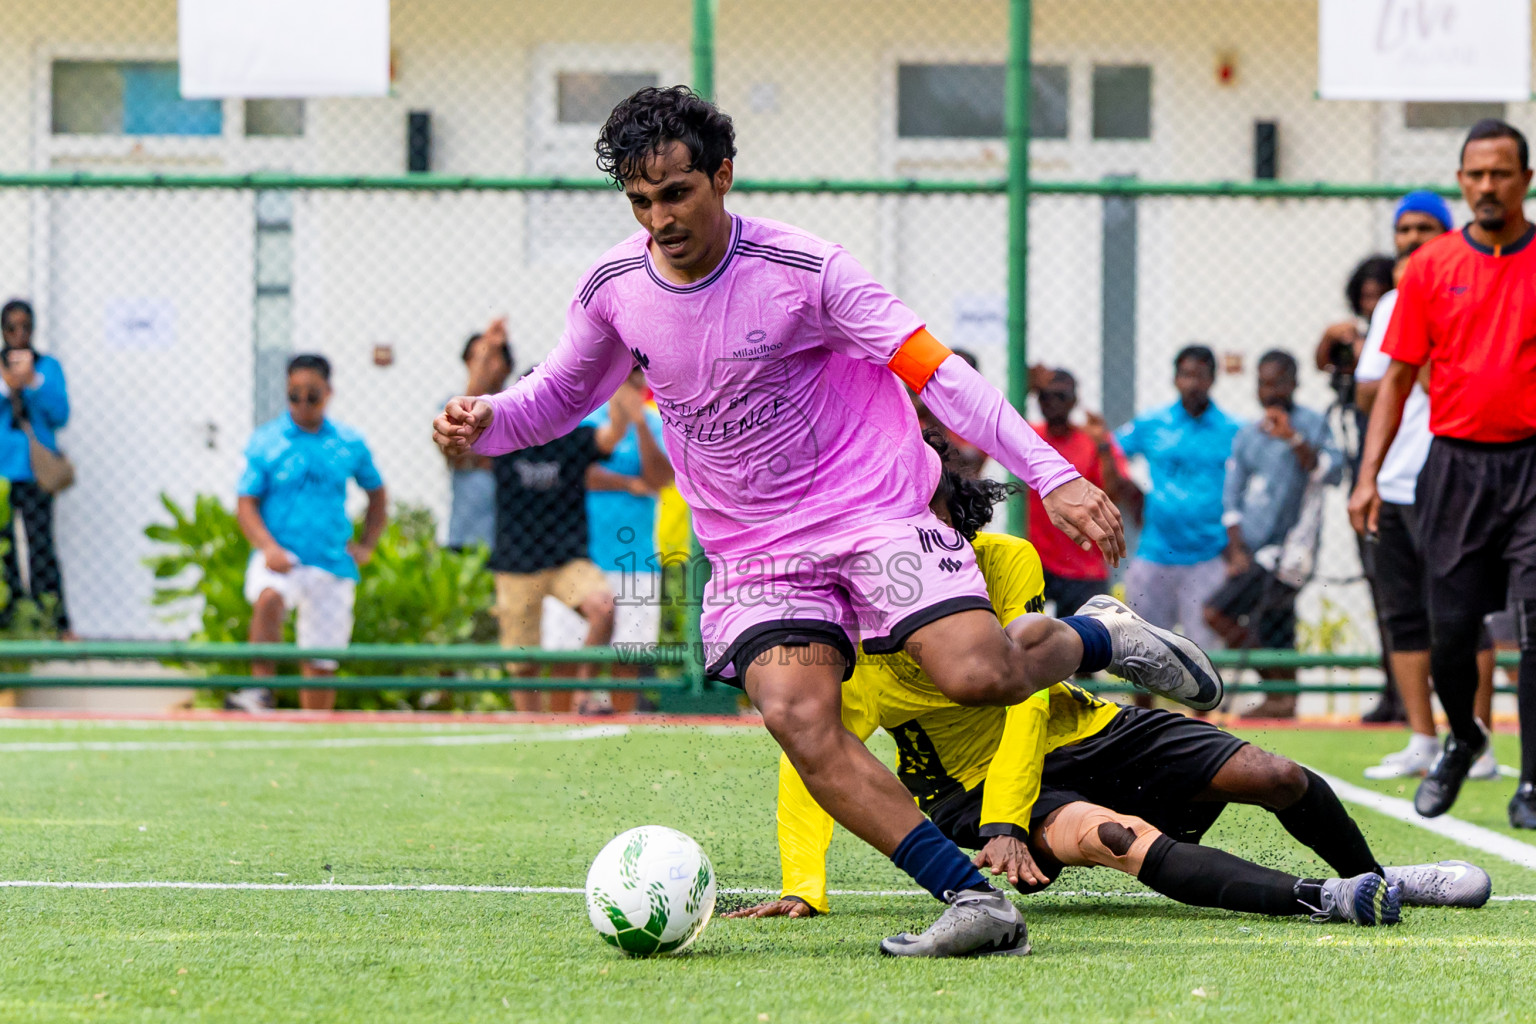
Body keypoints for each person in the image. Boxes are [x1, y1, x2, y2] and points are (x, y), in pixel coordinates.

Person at [435, 85, 1221, 958]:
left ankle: (1101, 638)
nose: (660, 218)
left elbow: (939, 374)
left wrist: (1056, 476)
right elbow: (556, 397)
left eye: (677, 193)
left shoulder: (806, 270)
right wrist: (489, 418)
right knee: (798, 715)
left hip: (871, 514)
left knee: (975, 673)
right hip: (759, 553)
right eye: (641, 201)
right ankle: (971, 899)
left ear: (723, 176)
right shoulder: (617, 288)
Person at [727, 446, 1489, 928]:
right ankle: (1324, 899)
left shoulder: (1002, 561)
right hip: (970, 785)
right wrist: (807, 882)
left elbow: (1021, 696)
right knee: (1113, 838)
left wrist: (1007, 823)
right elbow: (814, 751)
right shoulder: (847, 624)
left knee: (1277, 774)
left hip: (1083, 726)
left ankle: (1376, 880)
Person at [1349, 119, 1536, 826]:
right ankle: (1463, 735)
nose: (1488, 186)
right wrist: (1368, 478)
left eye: (1501, 173)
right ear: (1462, 181)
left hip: (1532, 466)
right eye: (1476, 175)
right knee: (1451, 628)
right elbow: (1396, 383)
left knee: (1534, 624)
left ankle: (1533, 784)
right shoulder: (1430, 269)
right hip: (1454, 468)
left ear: (1525, 179)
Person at [1353, 206, 1500, 782]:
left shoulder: (1469, 293)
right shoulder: (1392, 305)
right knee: (1403, 615)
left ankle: (1478, 740)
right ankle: (1421, 737)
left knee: (1464, 614)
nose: (1412, 241)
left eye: (1425, 231)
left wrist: (1420, 359)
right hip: (1391, 482)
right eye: (1404, 232)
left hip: (1452, 478)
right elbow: (1371, 390)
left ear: (1448, 239)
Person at [237, 354, 387, 711]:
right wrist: (267, 547)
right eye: (294, 395)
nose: (303, 404)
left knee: (320, 661)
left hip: (331, 560)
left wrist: (367, 544)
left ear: (328, 393)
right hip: (282, 556)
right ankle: (260, 692)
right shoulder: (266, 441)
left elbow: (377, 494)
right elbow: (245, 504)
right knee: (269, 597)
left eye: (312, 396)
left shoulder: (349, 442)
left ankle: (315, 732)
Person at [486, 369, 634, 713]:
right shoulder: (503, 436)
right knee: (522, 661)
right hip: (515, 562)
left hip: (567, 559)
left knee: (603, 606)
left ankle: (582, 693)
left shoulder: (573, 437)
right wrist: (485, 364)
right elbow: (466, 440)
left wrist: (620, 381)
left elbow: (611, 438)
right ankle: (529, 727)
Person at [1206, 350, 1343, 718]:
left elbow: (1331, 473)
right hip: (1251, 550)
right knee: (1271, 623)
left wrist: (1294, 439)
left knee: (1216, 612)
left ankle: (1279, 692)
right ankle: (1282, 697)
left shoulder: (1312, 425)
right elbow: (1231, 497)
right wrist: (1236, 549)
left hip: (1291, 550)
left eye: (1278, 382)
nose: (1271, 391)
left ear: (1295, 383)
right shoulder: (1249, 435)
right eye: (1264, 383)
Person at [1117, 345, 1239, 653]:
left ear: (1212, 379)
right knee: (1141, 649)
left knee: (1202, 656)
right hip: (1155, 551)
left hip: (1208, 555)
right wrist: (1134, 495)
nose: (1192, 383)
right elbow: (1113, 452)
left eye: (1200, 375)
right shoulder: (1153, 424)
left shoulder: (1233, 430)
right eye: (1186, 375)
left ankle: (1202, 705)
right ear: (1175, 379)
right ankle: (1141, 705)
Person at [582, 367, 673, 713]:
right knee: (578, 645)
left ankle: (623, 715)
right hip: (588, 554)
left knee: (632, 648)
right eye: (629, 376)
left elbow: (660, 477)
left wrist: (637, 423)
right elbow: (578, 473)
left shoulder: (652, 423)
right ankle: (579, 704)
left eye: (639, 377)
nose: (637, 383)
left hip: (636, 556)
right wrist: (626, 483)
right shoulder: (587, 420)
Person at [1027, 370, 1141, 616]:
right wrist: (1025, 388)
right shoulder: (1028, 436)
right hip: (1036, 561)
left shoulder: (1093, 441)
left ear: (1073, 400)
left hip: (1083, 564)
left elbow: (1113, 494)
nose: (1052, 402)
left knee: (1085, 642)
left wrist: (1103, 446)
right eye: (1045, 396)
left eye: (1060, 395)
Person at [0, 299, 71, 634]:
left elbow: (60, 415)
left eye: (25, 326)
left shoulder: (48, 368)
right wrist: (6, 387)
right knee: (4, 549)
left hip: (34, 472)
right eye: (11, 327)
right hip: (2, 472)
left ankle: (52, 622)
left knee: (41, 546)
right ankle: (12, 621)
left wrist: (32, 383)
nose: (19, 334)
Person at [444, 324, 514, 552]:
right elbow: (458, 451)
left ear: (507, 366)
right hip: (467, 536)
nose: (484, 365)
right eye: (477, 357)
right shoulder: (449, 406)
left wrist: (483, 454)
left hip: (514, 538)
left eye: (492, 356)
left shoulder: (517, 409)